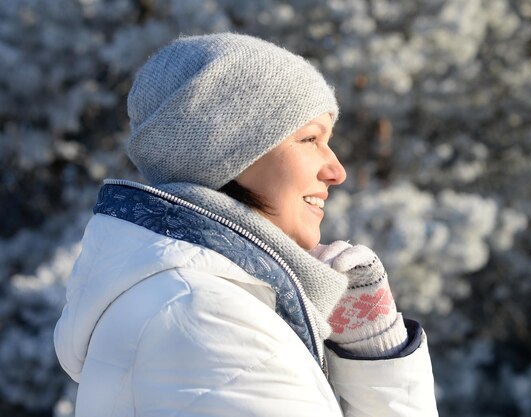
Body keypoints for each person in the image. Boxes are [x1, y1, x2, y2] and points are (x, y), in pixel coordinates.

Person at [54, 33, 438, 417]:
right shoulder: (206, 318)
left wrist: (377, 357)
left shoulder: (210, 301)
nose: (337, 171)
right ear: (225, 152)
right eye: (309, 139)